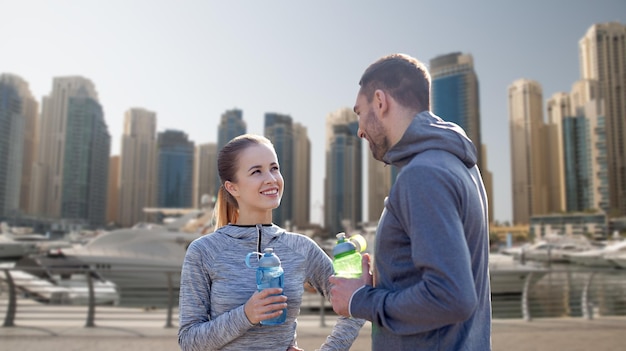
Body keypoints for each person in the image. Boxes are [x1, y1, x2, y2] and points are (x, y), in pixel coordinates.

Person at [329, 53, 492, 350]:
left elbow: (452, 297)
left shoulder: (423, 174)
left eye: (359, 112)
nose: (360, 129)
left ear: (380, 101)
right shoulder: (458, 165)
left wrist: (359, 300)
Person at [178, 134, 364, 351]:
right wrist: (246, 314)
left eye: (274, 168)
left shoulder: (301, 248)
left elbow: (355, 303)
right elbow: (189, 341)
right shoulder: (204, 251)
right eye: (256, 171)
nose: (271, 179)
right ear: (232, 187)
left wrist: (330, 349)